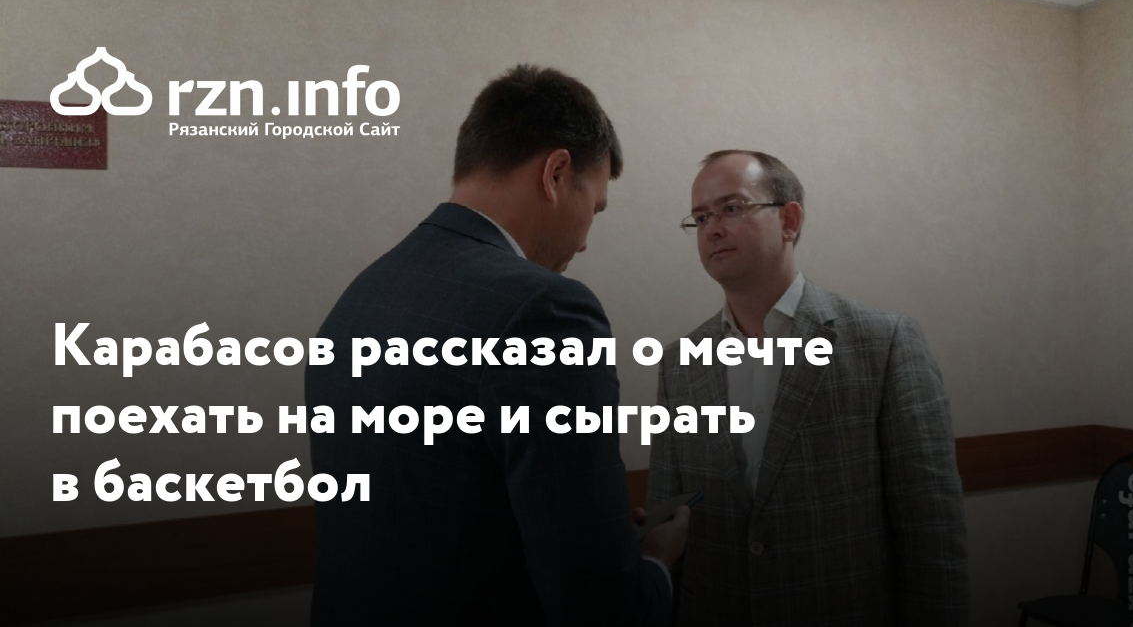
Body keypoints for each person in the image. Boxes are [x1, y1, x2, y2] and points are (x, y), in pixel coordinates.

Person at [306, 65, 689, 626]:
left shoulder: (362, 296)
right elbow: (602, 610)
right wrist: (654, 562)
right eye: (596, 207)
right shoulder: (546, 311)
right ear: (556, 174)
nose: (585, 241)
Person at [647, 150, 969, 626]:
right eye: (701, 217)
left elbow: (932, 530)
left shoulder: (884, 343)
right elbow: (665, 514)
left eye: (731, 208)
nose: (711, 229)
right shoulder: (679, 363)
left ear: (790, 220)